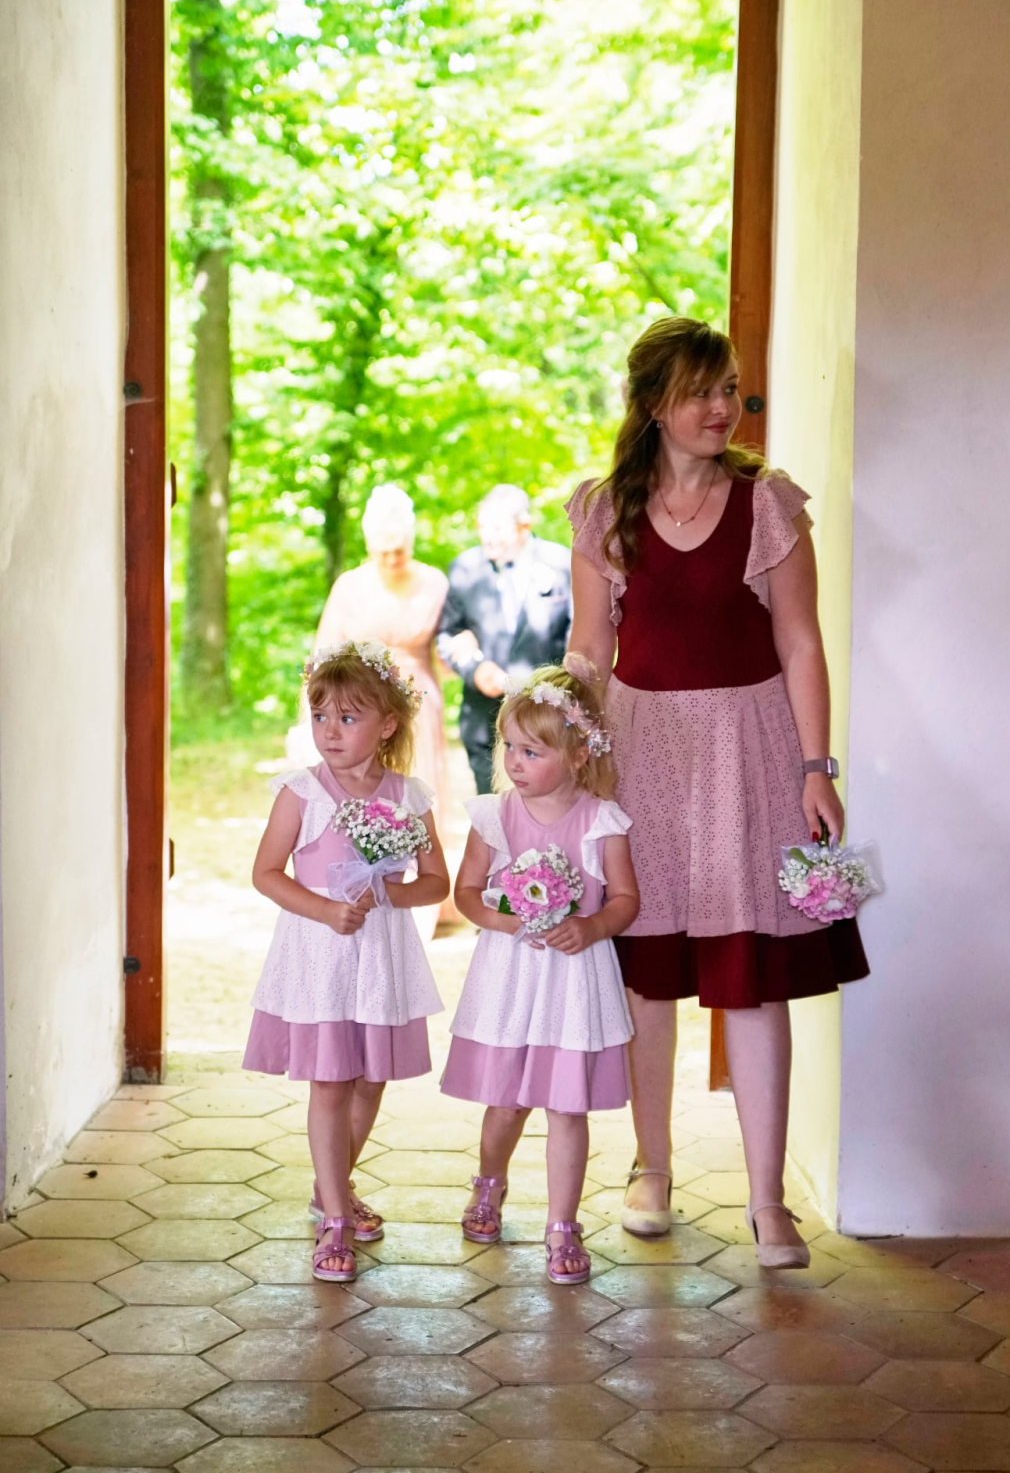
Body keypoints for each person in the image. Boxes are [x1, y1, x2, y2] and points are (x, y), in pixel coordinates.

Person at [565, 315, 869, 1270]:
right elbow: (590, 648)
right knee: (648, 977)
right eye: (700, 390)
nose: (721, 406)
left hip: (751, 750)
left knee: (753, 980)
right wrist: (565, 748)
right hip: (641, 752)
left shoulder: (766, 503)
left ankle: (768, 1203)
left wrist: (816, 768)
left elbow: (800, 642)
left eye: (729, 387)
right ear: (655, 403)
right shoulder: (603, 511)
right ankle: (651, 1170)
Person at [244, 641, 449, 1282]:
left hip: (380, 956)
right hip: (320, 951)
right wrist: (326, 909)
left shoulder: (408, 795)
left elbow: (436, 882)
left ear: (387, 724)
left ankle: (330, 1184)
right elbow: (266, 873)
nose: (329, 731)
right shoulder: (301, 793)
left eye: (348, 717)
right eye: (320, 716)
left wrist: (388, 892)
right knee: (331, 1081)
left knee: (370, 1080)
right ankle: (334, 1217)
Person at [441, 666, 639, 1285]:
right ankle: (488, 1184)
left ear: (578, 755)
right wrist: (502, 919)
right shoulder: (495, 816)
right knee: (505, 1102)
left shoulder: (602, 820)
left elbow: (625, 900)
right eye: (510, 747)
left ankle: (562, 1224)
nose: (515, 762)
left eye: (532, 751)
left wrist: (593, 926)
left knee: (566, 1107)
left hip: (573, 981)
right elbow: (466, 893)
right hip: (511, 976)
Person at [288, 485, 450, 845]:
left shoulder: (435, 583)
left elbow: (449, 646)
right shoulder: (349, 586)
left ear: (412, 542)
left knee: (416, 788)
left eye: (399, 551)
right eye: (383, 552)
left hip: (418, 700)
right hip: (357, 703)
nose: (391, 559)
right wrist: (310, 717)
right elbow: (323, 656)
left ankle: (421, 868)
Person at [437, 485, 572, 794]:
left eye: (497, 528)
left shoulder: (561, 563)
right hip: (484, 721)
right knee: (492, 814)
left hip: (547, 721)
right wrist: (475, 669)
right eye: (482, 527)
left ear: (524, 526)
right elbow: (448, 634)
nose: (488, 537)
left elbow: (577, 636)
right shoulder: (464, 567)